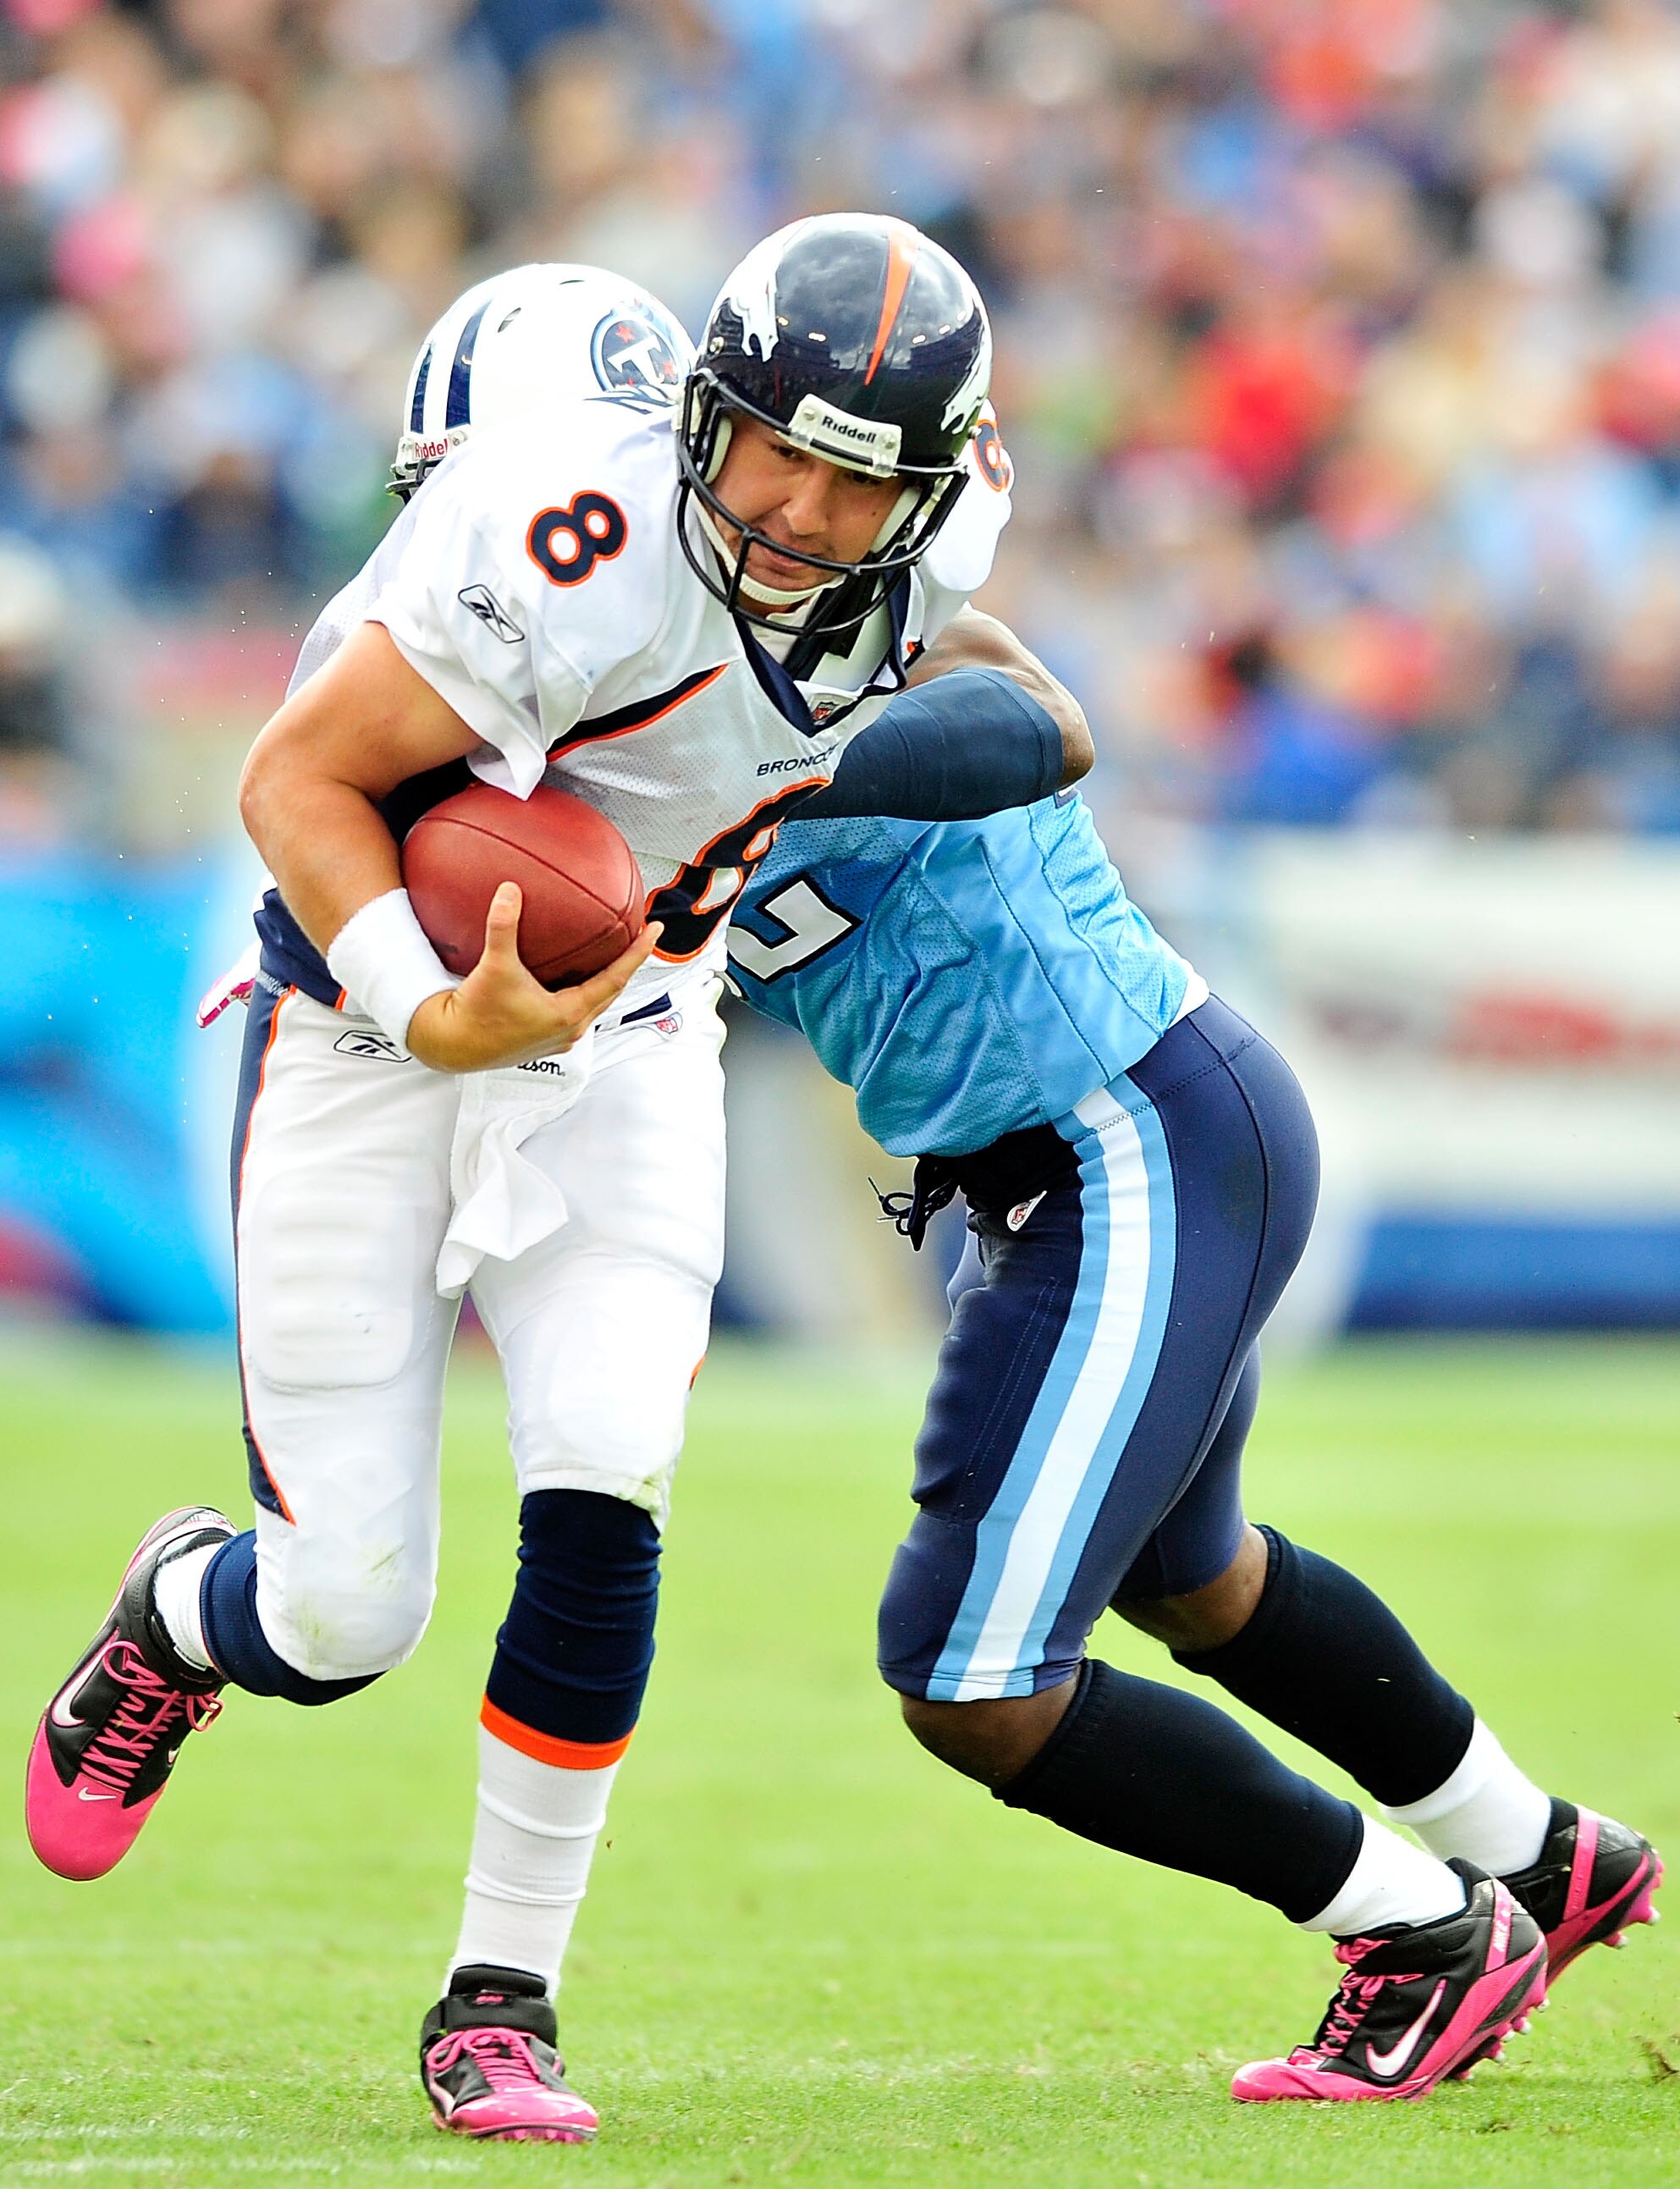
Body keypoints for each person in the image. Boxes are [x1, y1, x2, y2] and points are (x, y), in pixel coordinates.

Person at [25, 228, 1090, 2142]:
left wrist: (818, 767)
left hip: (625, 1039)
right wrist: (431, 1011)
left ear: (935, 477)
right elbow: (295, 781)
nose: (802, 506)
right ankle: (180, 1617)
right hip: (364, 1037)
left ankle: (499, 2001)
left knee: (606, 1475)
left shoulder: (918, 545)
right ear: (695, 415)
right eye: (776, 452)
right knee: (350, 1615)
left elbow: (1032, 708)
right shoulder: (555, 534)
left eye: (861, 477)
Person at [725, 764, 1662, 2100]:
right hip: (1084, 1159)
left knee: (969, 1673)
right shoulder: (605, 732)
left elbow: (1032, 712)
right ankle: (1535, 1852)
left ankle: (1425, 1928)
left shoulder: (820, 647)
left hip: (1124, 1143)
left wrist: (773, 750)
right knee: (1187, 1578)